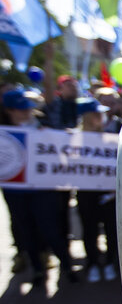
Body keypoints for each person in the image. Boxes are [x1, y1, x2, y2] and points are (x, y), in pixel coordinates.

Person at [2, 90, 77, 286]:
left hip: (43, 190)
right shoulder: (4, 133)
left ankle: (67, 266)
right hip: (16, 191)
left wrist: (54, 138)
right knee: (26, 229)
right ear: (9, 111)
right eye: (19, 110)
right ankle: (37, 269)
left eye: (26, 109)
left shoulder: (44, 127)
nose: (25, 113)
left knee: (51, 229)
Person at [74, 98, 118, 283]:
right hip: (86, 193)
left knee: (111, 229)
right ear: (87, 116)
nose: (101, 116)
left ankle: (109, 262)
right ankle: (92, 263)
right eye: (96, 113)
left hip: (109, 192)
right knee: (89, 230)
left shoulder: (110, 138)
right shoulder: (72, 140)